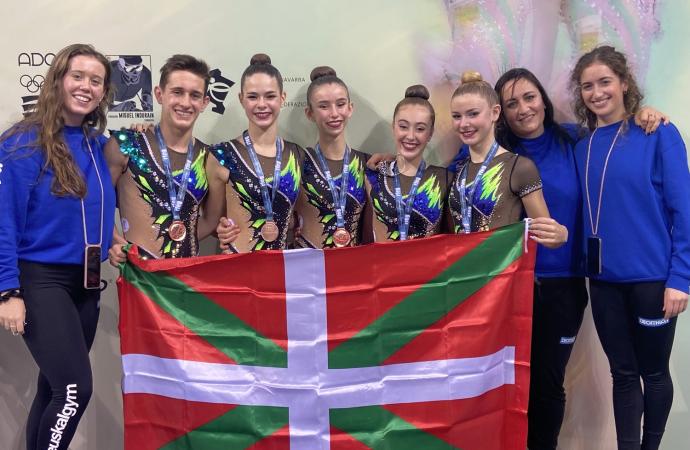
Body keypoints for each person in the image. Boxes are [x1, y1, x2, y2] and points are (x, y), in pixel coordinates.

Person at [494, 67, 668, 450]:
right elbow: (451, 177)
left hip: (564, 287)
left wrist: (644, 114)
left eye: (529, 97)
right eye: (511, 103)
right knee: (510, 381)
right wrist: (391, 160)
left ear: (543, 98)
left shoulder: (574, 140)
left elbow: (615, 140)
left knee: (548, 381)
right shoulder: (497, 152)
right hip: (507, 287)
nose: (523, 109)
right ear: (500, 113)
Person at [571, 45, 689, 450]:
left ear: (624, 84)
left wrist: (681, 278)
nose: (597, 92)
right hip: (603, 281)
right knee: (623, 373)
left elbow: (683, 211)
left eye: (605, 82)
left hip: (653, 281)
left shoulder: (658, 133)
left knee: (653, 373)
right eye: (588, 86)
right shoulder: (581, 147)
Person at [0, 43, 115, 450]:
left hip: (85, 282)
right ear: (58, 80)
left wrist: (114, 240)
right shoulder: (22, 142)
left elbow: (99, 208)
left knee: (53, 389)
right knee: (74, 391)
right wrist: (8, 290)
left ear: (104, 92)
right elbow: (4, 221)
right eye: (78, 76)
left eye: (96, 80)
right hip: (41, 281)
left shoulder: (99, 145)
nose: (86, 86)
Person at [105, 54, 235, 262]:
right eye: (177, 92)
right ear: (159, 94)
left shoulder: (209, 157)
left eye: (194, 95)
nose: (185, 102)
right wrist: (114, 242)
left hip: (188, 277)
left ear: (204, 102)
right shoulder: (125, 145)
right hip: (140, 277)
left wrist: (184, 240)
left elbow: (211, 220)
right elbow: (99, 205)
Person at [446, 71, 567, 250]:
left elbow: (549, 237)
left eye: (473, 114)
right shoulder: (456, 169)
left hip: (502, 274)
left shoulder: (520, 167)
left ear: (495, 113)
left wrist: (560, 234)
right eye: (457, 116)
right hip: (461, 272)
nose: (464, 124)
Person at [213, 53, 304, 253]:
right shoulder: (221, 154)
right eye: (253, 96)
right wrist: (218, 229)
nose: (261, 104)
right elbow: (205, 217)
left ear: (282, 98)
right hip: (239, 273)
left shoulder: (298, 155)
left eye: (270, 96)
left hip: (284, 271)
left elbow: (302, 212)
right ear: (241, 99)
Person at [363, 85, 449, 243]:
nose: (410, 136)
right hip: (382, 266)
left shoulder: (445, 179)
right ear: (393, 127)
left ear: (430, 134)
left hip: (428, 267)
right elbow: (364, 237)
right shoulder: (373, 174)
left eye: (420, 129)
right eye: (403, 126)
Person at [294, 66, 368, 248]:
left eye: (340, 104)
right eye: (323, 106)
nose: (334, 114)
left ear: (350, 108)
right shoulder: (297, 163)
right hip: (308, 270)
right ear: (309, 113)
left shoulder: (368, 164)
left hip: (354, 269)